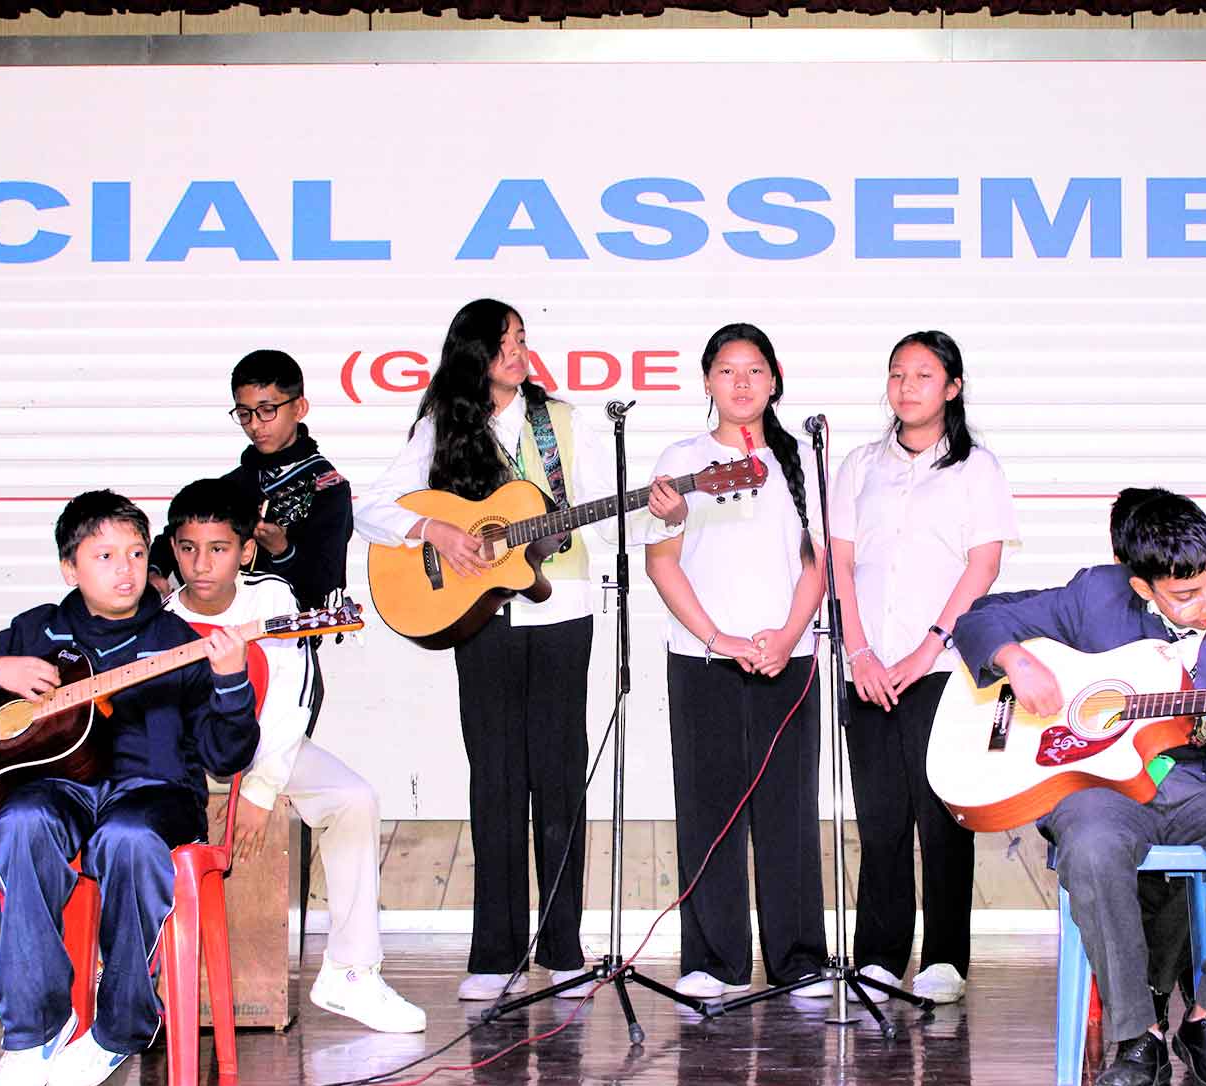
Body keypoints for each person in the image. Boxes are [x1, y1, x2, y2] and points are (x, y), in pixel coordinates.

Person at [952, 487, 1206, 1086]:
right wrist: (1015, 660)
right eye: (1187, 594)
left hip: (1196, 787)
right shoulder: (1096, 598)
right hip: (1098, 789)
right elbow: (979, 619)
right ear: (1142, 587)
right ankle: (1136, 1035)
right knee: (1092, 845)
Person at [0, 490, 258, 1086]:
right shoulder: (38, 630)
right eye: (105, 556)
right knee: (19, 823)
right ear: (70, 568)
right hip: (60, 788)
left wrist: (230, 683)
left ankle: (120, 1026)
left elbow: (225, 757)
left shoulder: (178, 642)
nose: (126, 570)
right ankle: (36, 1030)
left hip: (154, 795)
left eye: (136, 554)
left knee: (127, 839)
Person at [353, 300, 652, 1001]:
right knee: (494, 777)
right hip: (479, 617)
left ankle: (564, 947)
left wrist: (655, 512)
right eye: (503, 343)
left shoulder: (563, 422)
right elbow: (371, 507)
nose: (517, 353)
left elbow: (607, 518)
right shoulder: (442, 424)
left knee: (559, 776)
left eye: (521, 339)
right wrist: (436, 530)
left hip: (563, 611)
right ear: (473, 353)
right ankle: (494, 952)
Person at [163, 477, 425, 1035]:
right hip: (182, 760)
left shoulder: (273, 600)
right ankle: (138, 979)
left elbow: (291, 699)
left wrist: (260, 790)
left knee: (354, 799)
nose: (201, 565)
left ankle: (351, 972)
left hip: (266, 747)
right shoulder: (160, 618)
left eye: (218, 549)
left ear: (246, 551)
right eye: (188, 549)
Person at [830, 331, 1017, 1006]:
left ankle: (943, 958)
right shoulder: (858, 465)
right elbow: (840, 562)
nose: (906, 387)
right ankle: (879, 957)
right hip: (867, 667)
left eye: (923, 375)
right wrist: (859, 651)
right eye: (897, 375)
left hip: (943, 670)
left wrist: (926, 648)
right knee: (880, 818)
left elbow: (983, 565)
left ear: (953, 388)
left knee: (943, 818)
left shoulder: (977, 469)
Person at [644, 322, 829, 1001]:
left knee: (789, 809)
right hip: (703, 660)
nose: (741, 382)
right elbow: (662, 563)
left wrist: (787, 634)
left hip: (789, 655)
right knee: (708, 810)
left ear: (774, 380)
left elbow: (819, 562)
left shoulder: (803, 459)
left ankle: (799, 959)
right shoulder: (682, 458)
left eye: (754, 370)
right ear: (706, 382)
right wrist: (717, 638)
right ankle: (714, 960)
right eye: (727, 371)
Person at [149, 349, 353, 614]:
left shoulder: (329, 488)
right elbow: (174, 538)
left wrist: (283, 551)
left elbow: (325, 585)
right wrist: (154, 572)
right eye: (245, 413)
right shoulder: (234, 483)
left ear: (299, 408)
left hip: (291, 631)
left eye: (267, 410)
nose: (255, 425)